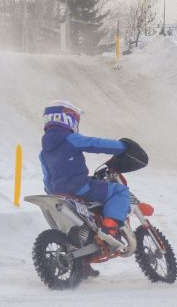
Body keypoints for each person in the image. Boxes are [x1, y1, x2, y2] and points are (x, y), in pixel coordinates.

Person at [39, 101, 132, 239]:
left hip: (56, 193)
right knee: (120, 191)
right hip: (79, 188)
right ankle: (110, 228)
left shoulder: (44, 151)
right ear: (67, 119)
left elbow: (47, 175)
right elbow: (96, 144)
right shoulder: (70, 139)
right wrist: (122, 147)